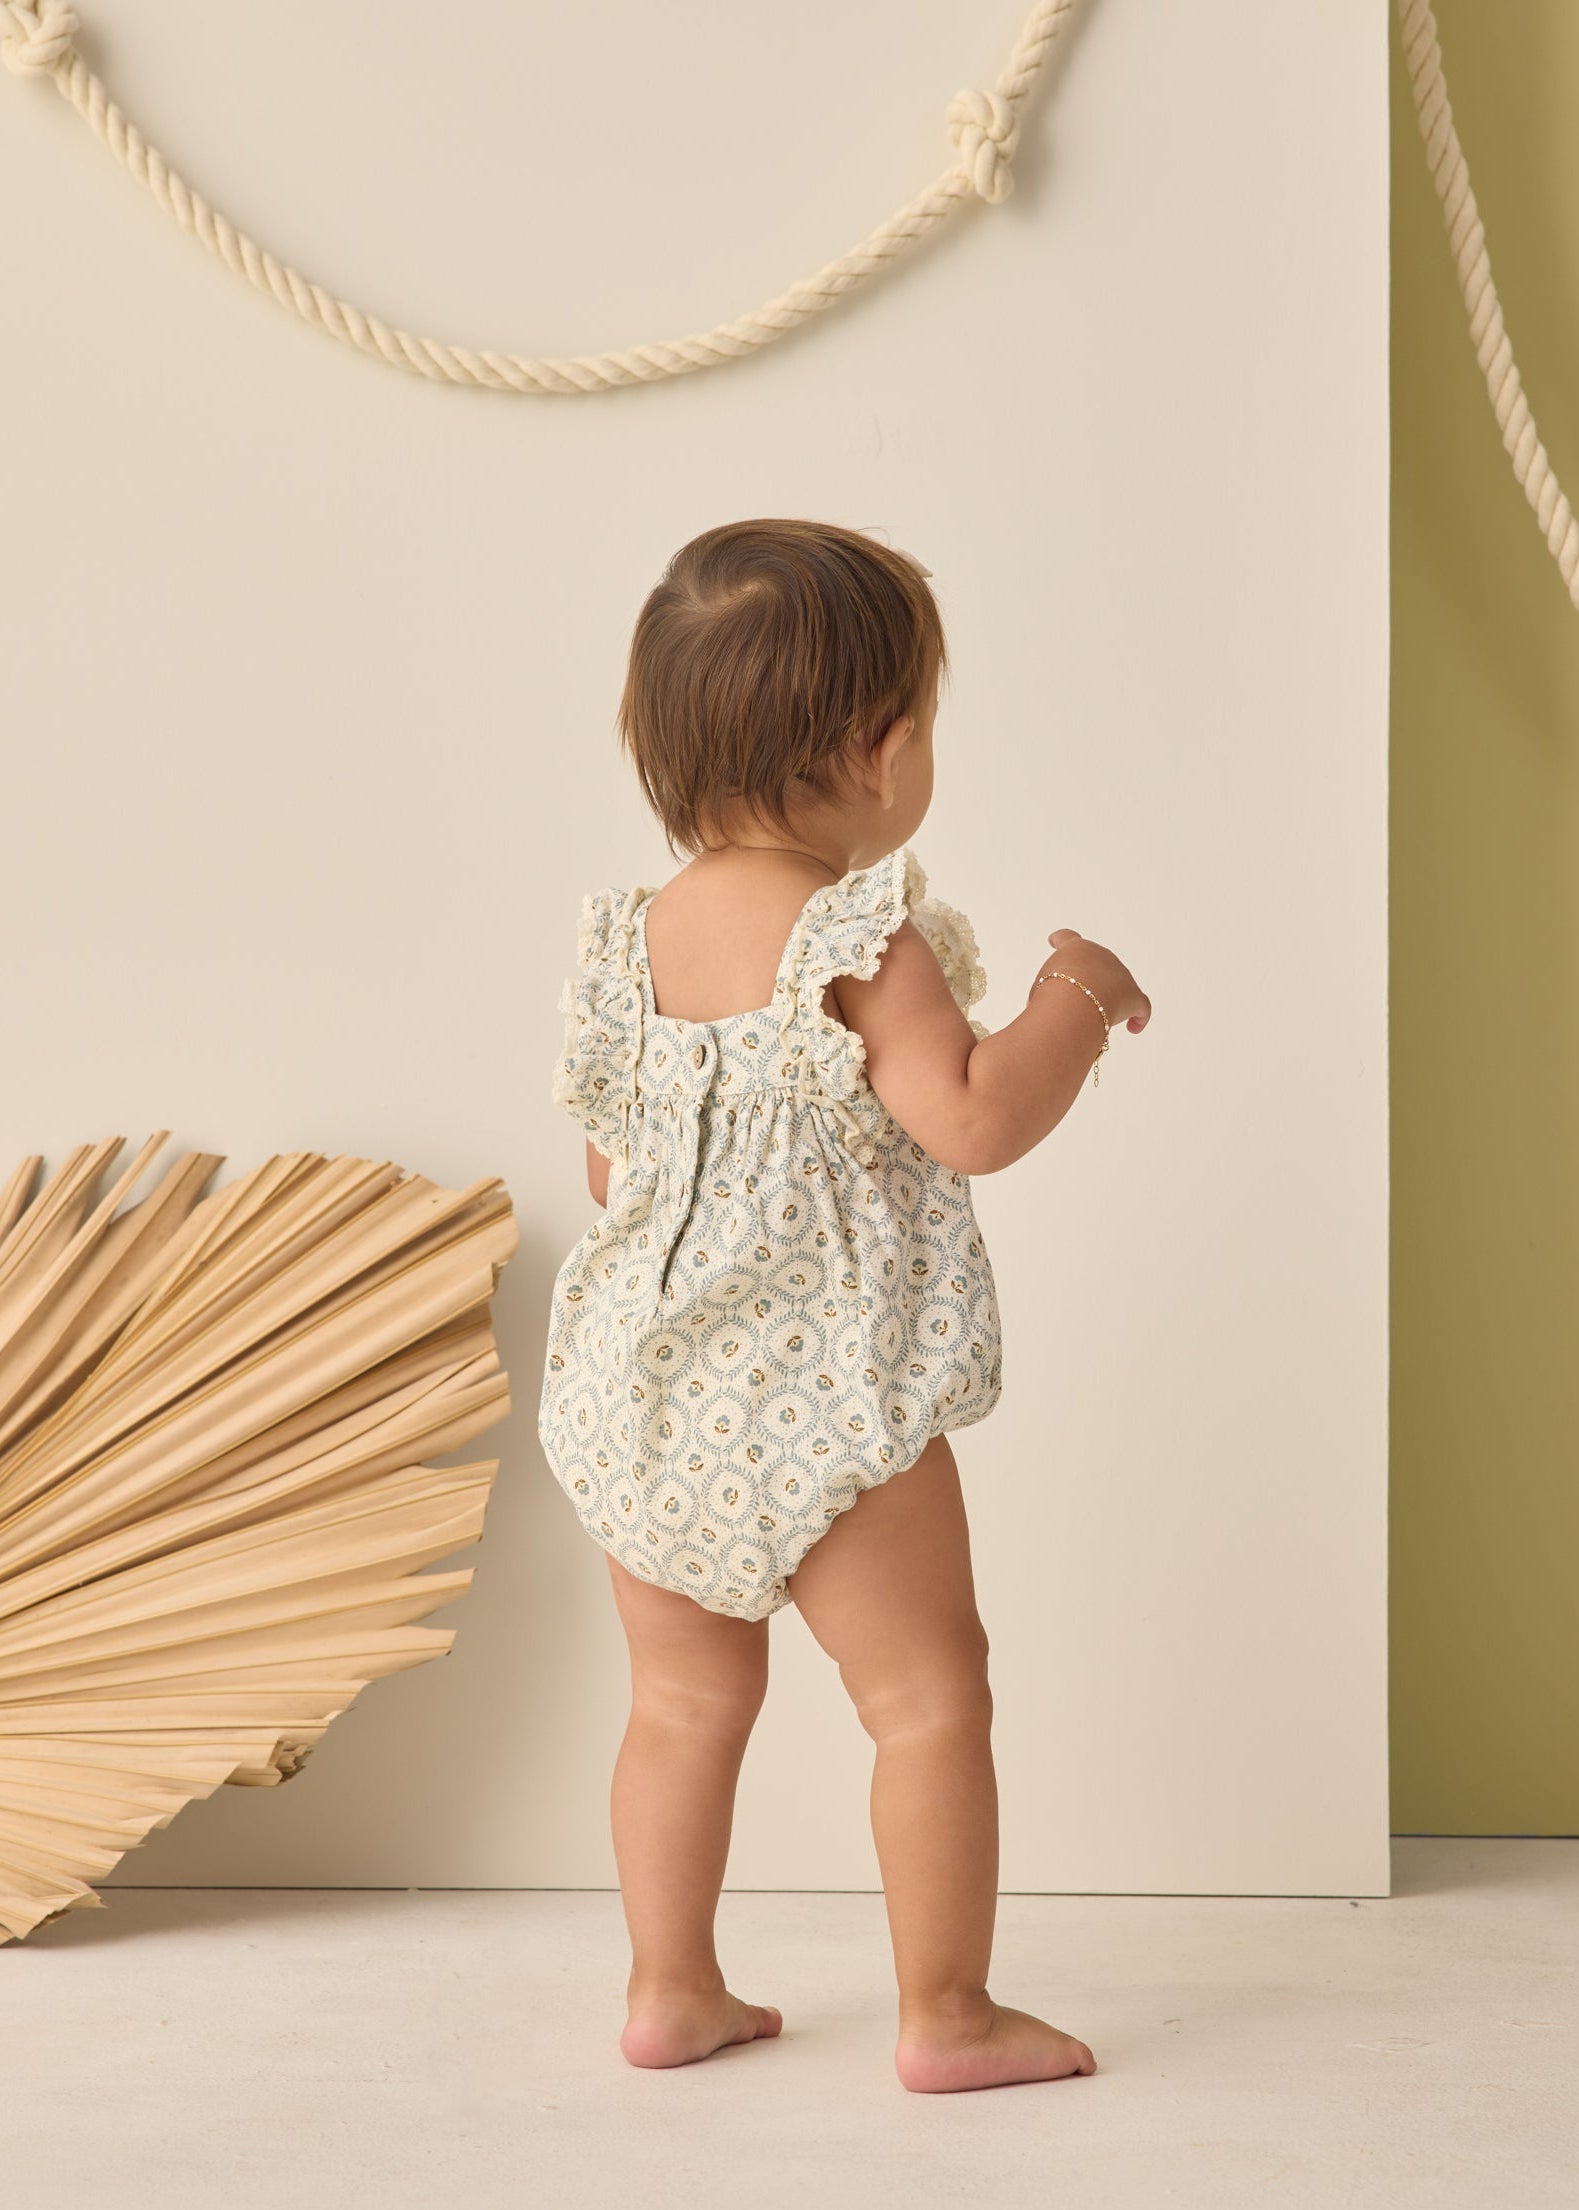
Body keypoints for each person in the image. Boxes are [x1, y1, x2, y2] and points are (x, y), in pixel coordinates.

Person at [538, 518, 1150, 2093]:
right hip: (829, 1406)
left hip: (644, 1397)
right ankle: (946, 2013)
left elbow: (616, 1181)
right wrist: (1075, 998)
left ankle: (670, 1990)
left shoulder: (637, 940)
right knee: (928, 1698)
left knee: (680, 1698)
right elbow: (975, 1120)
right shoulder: (859, 943)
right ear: (881, 751)